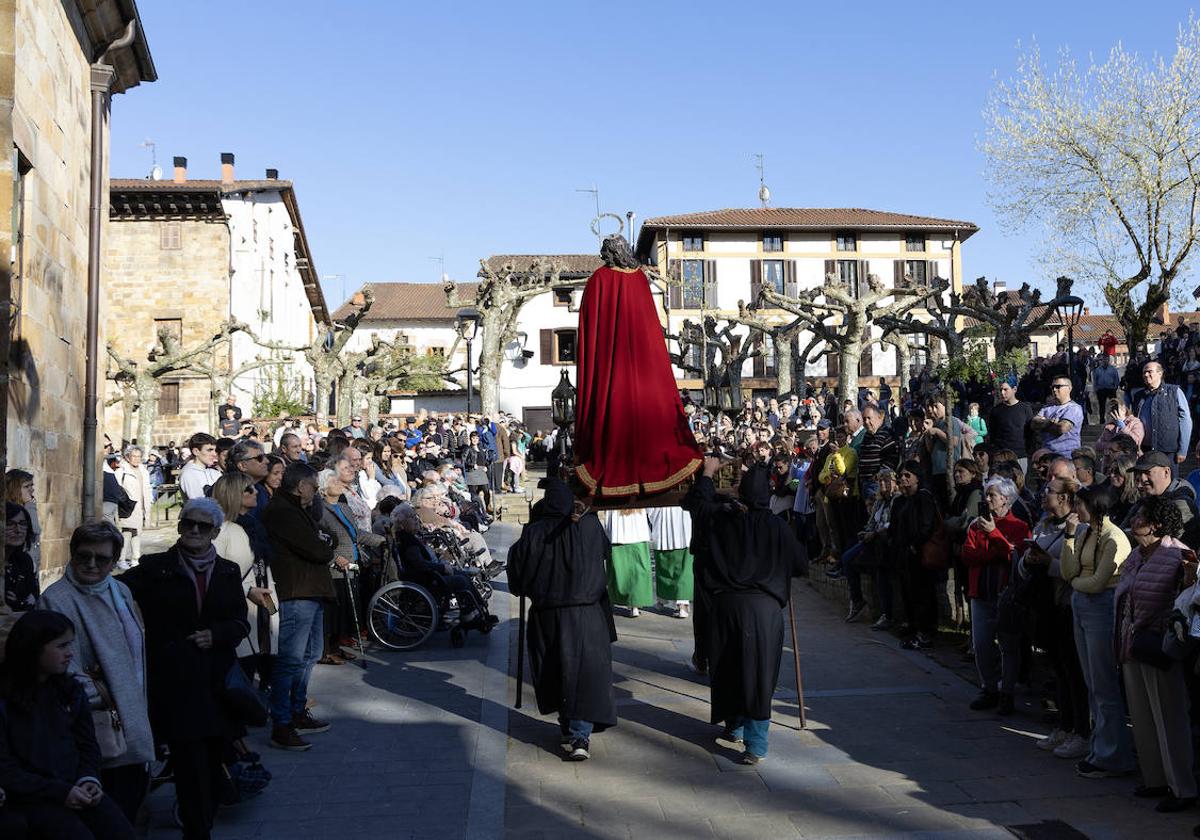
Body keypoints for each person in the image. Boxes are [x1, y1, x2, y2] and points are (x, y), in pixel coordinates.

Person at [119, 498, 250, 840]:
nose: (193, 530)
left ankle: (203, 817)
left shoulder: (227, 571)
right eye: (187, 524)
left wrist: (216, 634)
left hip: (215, 683)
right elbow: (116, 590)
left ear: (215, 532)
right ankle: (197, 829)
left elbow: (239, 623)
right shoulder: (154, 567)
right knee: (190, 763)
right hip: (175, 682)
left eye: (202, 526)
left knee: (210, 762)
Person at [684, 457, 799, 764]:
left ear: (740, 494)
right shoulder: (778, 527)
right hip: (764, 610)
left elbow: (697, 503)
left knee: (728, 667)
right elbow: (800, 564)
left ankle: (734, 725)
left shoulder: (721, 519)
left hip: (727, 606)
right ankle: (754, 743)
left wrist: (707, 474)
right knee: (758, 672)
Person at [38, 521, 153, 823]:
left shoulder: (120, 590)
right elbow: (60, 667)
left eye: (101, 559)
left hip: (132, 714)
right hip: (98, 725)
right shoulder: (57, 599)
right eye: (82, 556)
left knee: (131, 798)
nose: (91, 564)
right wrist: (99, 696)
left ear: (114, 561)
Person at [573, 236, 703, 497]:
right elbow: (651, 331)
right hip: (644, 370)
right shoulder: (640, 279)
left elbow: (590, 334)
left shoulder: (598, 280)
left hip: (611, 368)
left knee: (614, 410)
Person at [0, 609, 137, 839]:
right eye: (61, 646)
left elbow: (87, 745)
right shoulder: (6, 699)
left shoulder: (70, 691)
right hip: (32, 798)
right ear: (34, 648)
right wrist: (60, 792)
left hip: (77, 787)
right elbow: (6, 768)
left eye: (70, 645)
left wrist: (89, 778)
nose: (69, 654)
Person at [507, 478, 617, 761]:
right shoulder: (590, 526)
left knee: (558, 671)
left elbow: (518, 580)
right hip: (585, 615)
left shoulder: (534, 533)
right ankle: (577, 732)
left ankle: (573, 729)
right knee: (581, 675)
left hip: (549, 615)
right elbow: (605, 554)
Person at [1115, 496, 1198, 812]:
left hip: (1160, 647)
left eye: (1141, 515)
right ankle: (1155, 780)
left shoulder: (1177, 555)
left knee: (1170, 719)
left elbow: (1183, 599)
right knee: (1143, 717)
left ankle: (1182, 789)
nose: (1134, 519)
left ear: (1158, 524)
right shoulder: (1139, 554)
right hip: (1132, 645)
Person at [261, 464, 343, 752]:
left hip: (311, 589)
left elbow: (324, 541)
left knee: (308, 654)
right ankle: (281, 722)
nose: (317, 491)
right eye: (313, 486)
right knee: (291, 658)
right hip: (297, 590)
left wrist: (325, 544)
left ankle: (296, 710)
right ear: (300, 486)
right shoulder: (283, 511)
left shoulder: (299, 509)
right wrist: (325, 547)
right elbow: (317, 549)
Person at [1058, 484, 1136, 779]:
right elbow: (1068, 571)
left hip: (1101, 607)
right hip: (1082, 605)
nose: (1075, 509)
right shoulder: (1083, 532)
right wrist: (1068, 536)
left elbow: (1098, 582)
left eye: (1080, 504)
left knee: (1104, 683)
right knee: (1091, 681)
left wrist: (1076, 583)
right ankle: (1101, 747)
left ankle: (1113, 755)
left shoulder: (1114, 537)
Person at [961, 476, 1030, 714]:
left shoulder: (1018, 526)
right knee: (981, 644)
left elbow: (1016, 557)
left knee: (1009, 646)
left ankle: (1007, 692)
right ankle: (989, 687)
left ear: (1006, 499)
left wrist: (995, 536)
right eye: (986, 494)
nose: (987, 499)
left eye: (992, 495)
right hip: (980, 592)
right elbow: (968, 556)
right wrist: (997, 552)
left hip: (1005, 594)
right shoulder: (974, 525)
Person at [211, 474, 279, 688]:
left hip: (264, 602)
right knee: (243, 667)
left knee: (267, 654)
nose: (256, 492)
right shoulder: (221, 530)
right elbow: (214, 573)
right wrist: (247, 590)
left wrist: (271, 604)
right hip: (240, 608)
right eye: (248, 490)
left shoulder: (253, 524)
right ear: (233, 495)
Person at [888, 460, 941, 650]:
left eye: (908, 475)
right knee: (909, 592)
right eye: (901, 475)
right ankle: (914, 627)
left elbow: (926, 526)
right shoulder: (905, 499)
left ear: (918, 478)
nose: (903, 478)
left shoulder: (923, 497)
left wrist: (914, 545)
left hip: (919, 554)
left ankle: (924, 633)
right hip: (906, 554)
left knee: (922, 594)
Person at [1133, 360, 1192, 469]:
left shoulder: (1174, 391)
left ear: (1160, 373)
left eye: (1149, 371)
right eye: (1144, 372)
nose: (1146, 375)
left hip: (1168, 451)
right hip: (1145, 450)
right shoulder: (1138, 396)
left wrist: (1183, 449)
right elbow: (1134, 422)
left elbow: (1186, 420)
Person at [602, 509, 654, 618]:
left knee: (621, 570)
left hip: (618, 530)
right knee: (637, 570)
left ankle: (627, 603)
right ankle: (634, 605)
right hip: (636, 529)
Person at [647, 506, 693, 619]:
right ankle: (680, 604)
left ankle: (671, 602)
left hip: (670, 521)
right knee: (681, 568)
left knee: (670, 566)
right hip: (681, 522)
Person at [114, 446, 153, 570]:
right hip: (127, 506)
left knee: (137, 533)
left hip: (140, 506)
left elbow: (147, 489)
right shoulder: (121, 471)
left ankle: (135, 558)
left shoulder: (144, 470)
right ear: (128, 457)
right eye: (134, 456)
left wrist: (148, 506)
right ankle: (121, 559)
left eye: (139, 456)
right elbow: (117, 489)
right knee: (126, 533)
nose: (136, 459)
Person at [1031, 376, 1083, 458]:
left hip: (1066, 457)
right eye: (1052, 387)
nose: (1054, 390)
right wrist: (1051, 422)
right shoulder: (1047, 408)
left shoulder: (1074, 408)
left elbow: (1061, 428)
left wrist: (1043, 424)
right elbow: (1034, 424)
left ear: (1069, 388)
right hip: (1046, 456)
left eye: (1058, 387)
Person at [4, 470, 40, 577]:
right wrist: (30, 505)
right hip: (17, 570)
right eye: (26, 486)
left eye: (31, 486)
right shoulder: (10, 511)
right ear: (15, 489)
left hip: (31, 569)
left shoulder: (27, 507)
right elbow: (35, 529)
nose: (31, 490)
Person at [4, 503, 37, 612]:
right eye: (9, 523)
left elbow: (34, 597)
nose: (18, 530)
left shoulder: (24, 561)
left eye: (22, 524)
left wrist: (19, 603)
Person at [179, 433, 222, 501]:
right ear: (196, 451)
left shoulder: (214, 471)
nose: (214, 454)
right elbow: (199, 503)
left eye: (215, 450)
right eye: (209, 450)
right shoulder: (188, 474)